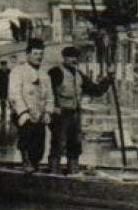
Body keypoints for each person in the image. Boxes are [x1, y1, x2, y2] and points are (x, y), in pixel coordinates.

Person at [46, 45, 114, 174]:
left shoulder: (79, 75)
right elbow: (46, 92)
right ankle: (53, 174)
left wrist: (108, 79)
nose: (73, 60)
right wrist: (52, 108)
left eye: (75, 57)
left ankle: (73, 172)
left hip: (75, 115)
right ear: (64, 58)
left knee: (75, 145)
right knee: (58, 145)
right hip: (60, 116)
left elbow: (96, 90)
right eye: (70, 57)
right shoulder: (55, 73)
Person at [7, 40, 52, 172]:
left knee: (39, 146)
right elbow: (14, 94)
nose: (38, 57)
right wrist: (23, 113)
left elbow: (50, 97)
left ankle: (35, 166)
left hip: (39, 115)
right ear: (27, 55)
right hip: (24, 114)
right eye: (35, 53)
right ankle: (26, 164)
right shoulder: (18, 72)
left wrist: (48, 112)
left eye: (40, 54)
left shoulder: (45, 75)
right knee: (26, 140)